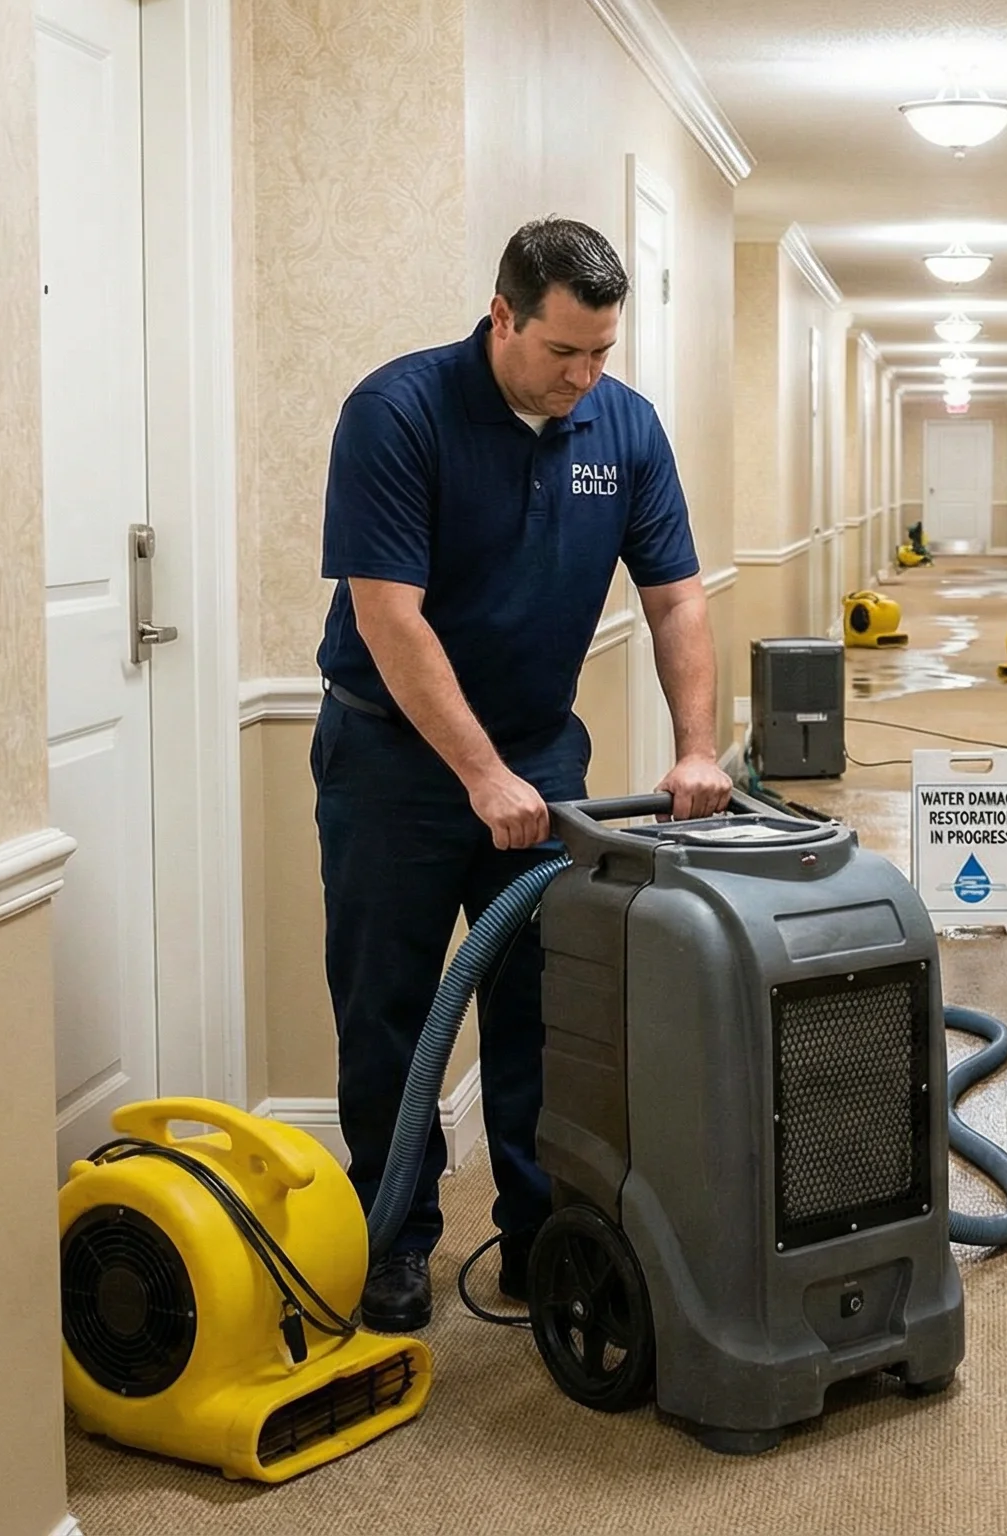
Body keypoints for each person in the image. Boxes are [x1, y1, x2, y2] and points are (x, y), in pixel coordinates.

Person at [313, 217, 732, 1333]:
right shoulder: (398, 412)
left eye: (601, 352)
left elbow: (675, 597)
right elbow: (388, 616)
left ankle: (540, 1236)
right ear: (503, 316)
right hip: (392, 760)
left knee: (545, 1007)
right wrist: (480, 772)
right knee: (390, 1005)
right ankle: (394, 1236)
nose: (584, 377)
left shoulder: (623, 427)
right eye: (563, 352)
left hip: (542, 755)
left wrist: (698, 745)